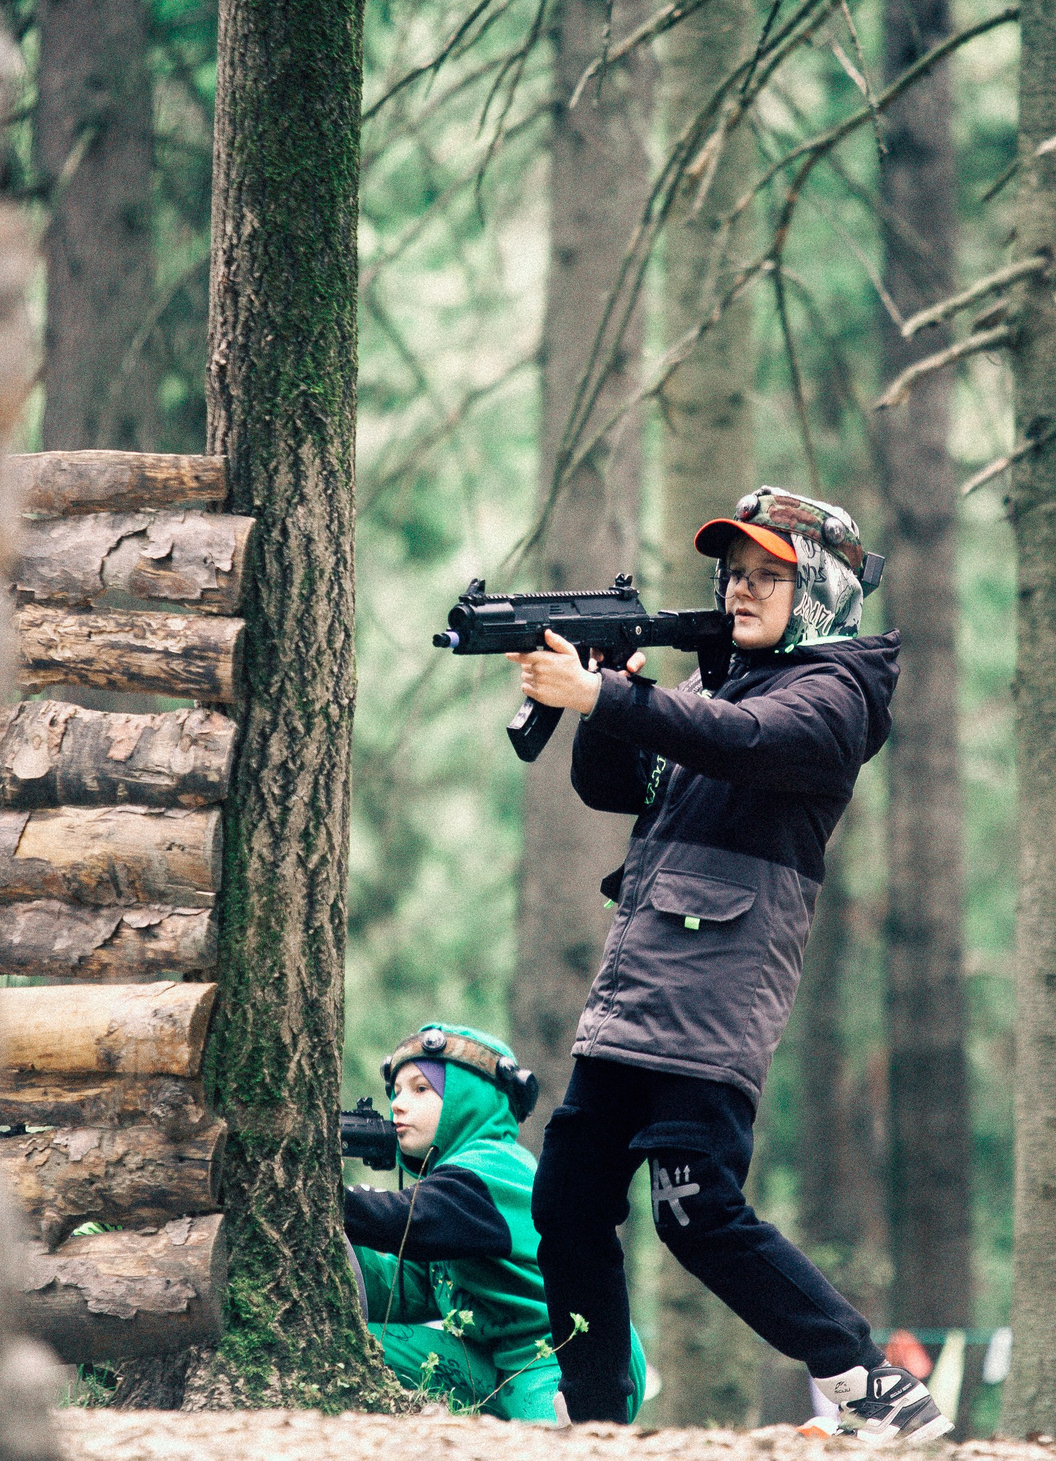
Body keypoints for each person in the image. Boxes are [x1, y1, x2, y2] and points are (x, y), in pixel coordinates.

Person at [507, 486, 947, 1443]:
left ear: (820, 588)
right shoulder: (719, 688)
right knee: (567, 1201)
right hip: (638, 986)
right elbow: (611, 785)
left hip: (716, 994)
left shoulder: (833, 695)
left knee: (696, 1207)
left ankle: (870, 1379)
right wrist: (607, 698)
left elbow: (746, 743)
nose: (740, 590)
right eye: (733, 574)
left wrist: (610, 694)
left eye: (767, 576)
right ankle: (596, 1419)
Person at [343, 1022, 646, 1421]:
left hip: (564, 1361)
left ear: (470, 1100)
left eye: (420, 1089)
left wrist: (332, 1199)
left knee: (549, 1446)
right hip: (492, 1361)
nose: (398, 1104)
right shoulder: (447, 1189)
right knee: (353, 1345)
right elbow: (413, 1288)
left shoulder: (495, 1168)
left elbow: (410, 1219)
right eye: (396, 1091)